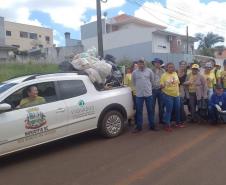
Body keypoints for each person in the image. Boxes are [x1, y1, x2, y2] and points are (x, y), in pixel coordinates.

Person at [132, 59, 155, 132]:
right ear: (138, 64)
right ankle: (139, 127)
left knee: (150, 110)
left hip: (148, 94)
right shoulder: (134, 73)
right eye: (139, 64)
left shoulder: (149, 71)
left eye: (142, 64)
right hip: (139, 95)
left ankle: (152, 126)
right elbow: (133, 82)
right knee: (139, 111)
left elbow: (152, 80)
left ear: (144, 64)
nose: (141, 65)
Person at [160, 63, 182, 131]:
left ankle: (177, 123)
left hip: (176, 95)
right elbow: (161, 85)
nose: (171, 68)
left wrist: (179, 92)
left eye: (172, 67)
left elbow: (178, 83)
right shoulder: (164, 75)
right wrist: (164, 85)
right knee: (169, 110)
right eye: (169, 67)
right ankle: (167, 125)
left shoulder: (175, 73)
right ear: (166, 68)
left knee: (177, 109)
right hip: (168, 95)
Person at [151, 58, 165, 124]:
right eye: (156, 62)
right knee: (152, 106)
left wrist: (164, 85)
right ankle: (152, 121)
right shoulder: (150, 71)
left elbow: (165, 79)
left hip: (160, 90)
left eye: (159, 62)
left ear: (160, 64)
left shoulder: (163, 71)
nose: (157, 64)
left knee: (161, 106)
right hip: (152, 90)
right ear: (154, 63)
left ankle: (161, 120)